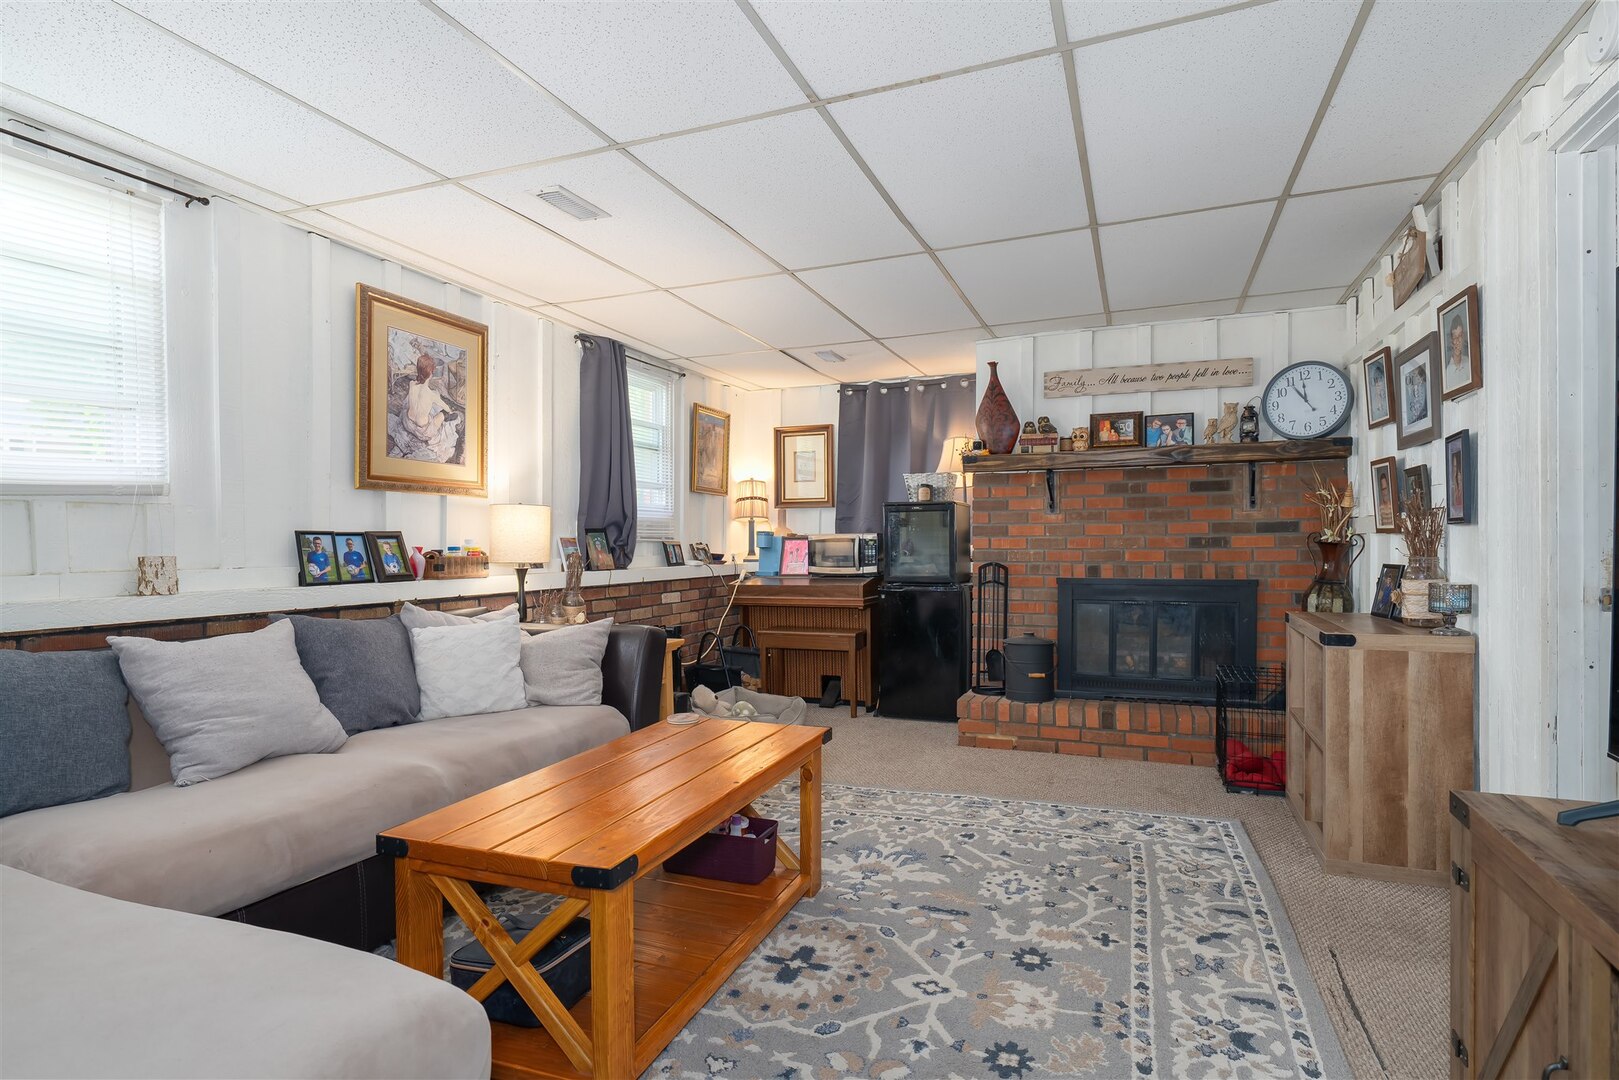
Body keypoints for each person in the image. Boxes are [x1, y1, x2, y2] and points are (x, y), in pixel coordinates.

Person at [401, 352, 461, 463]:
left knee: (419, 408)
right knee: (445, 412)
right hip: (424, 432)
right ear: (431, 373)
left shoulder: (411, 384)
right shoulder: (432, 394)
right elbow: (447, 408)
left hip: (407, 423)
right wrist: (448, 410)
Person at [1443, 317, 1470, 389]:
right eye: (1455, 337)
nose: (1457, 341)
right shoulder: (1446, 372)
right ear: (1451, 340)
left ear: (1463, 338)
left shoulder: (1469, 364)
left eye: (1460, 336)